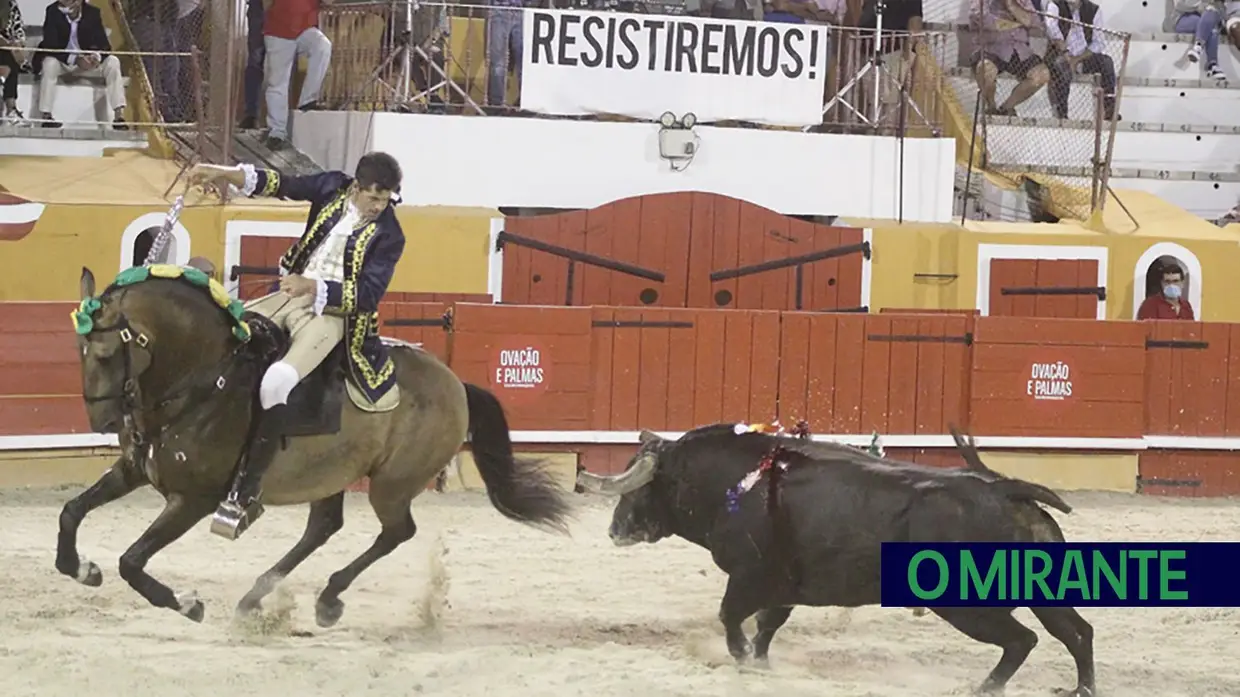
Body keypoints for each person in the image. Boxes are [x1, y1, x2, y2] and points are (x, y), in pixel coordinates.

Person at [186, 152, 407, 539]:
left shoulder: (390, 234)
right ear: (356, 188)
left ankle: (246, 492)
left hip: (332, 317)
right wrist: (222, 173)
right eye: (373, 199)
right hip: (287, 295)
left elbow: (369, 294)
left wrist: (314, 287)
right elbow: (280, 183)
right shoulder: (332, 187)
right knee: (221, 337)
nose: (378, 208)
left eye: (385, 200)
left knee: (276, 382)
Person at [34, 0, 127, 129]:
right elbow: (50, 45)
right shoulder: (53, 11)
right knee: (49, 63)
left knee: (113, 61)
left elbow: (104, 45)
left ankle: (119, 116)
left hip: (87, 63)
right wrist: (75, 59)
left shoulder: (92, 13)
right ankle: (46, 115)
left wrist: (95, 57)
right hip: (64, 62)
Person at [262, 0, 332, 149]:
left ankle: (307, 100)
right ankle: (277, 132)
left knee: (323, 46)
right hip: (277, 29)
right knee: (277, 82)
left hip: (304, 29)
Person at [969, 0, 1051, 117]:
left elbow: (1033, 21)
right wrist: (1015, 23)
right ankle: (991, 107)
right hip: (991, 48)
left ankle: (1006, 108)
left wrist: (1011, 5)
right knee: (985, 69)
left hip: (1019, 50)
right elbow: (979, 18)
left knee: (1043, 74)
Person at [1044, 0, 1116, 120]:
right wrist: (1066, 55)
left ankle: (1109, 110)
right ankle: (1062, 113)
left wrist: (1077, 59)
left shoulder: (1093, 10)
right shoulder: (1055, 5)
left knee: (1106, 62)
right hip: (1060, 53)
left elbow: (1099, 42)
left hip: (1083, 56)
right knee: (1061, 65)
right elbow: (1053, 32)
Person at [1173, 0, 1227, 83]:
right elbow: (1179, 5)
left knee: (1210, 16)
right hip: (1184, 18)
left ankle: (1198, 47)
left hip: (1210, 16)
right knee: (1209, 25)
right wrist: (1199, 6)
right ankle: (1213, 64)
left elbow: (1222, 9)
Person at [0, 0, 28, 124]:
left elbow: (18, 29)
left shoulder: (11, 4)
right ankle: (10, 108)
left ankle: (11, 110)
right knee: (9, 55)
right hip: (4, 47)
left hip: (6, 50)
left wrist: (19, 44)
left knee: (11, 56)